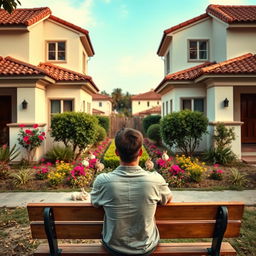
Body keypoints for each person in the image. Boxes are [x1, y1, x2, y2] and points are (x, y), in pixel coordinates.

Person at [91, 128, 172, 256]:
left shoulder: (102, 181)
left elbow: (95, 202)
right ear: (140, 152)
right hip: (146, 248)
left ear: (116, 152)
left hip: (113, 247)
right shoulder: (155, 180)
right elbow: (168, 198)